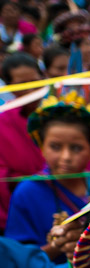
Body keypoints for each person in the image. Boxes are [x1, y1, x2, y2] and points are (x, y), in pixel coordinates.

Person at [6, 93, 90, 258]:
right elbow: (17, 259)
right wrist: (58, 246)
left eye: (76, 148)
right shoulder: (27, 192)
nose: (66, 157)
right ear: (41, 147)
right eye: (55, 147)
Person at [0, 52, 44, 231]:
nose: (31, 91)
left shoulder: (59, 113)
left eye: (35, 82)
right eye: (22, 85)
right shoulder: (3, 123)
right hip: (21, 209)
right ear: (9, 87)